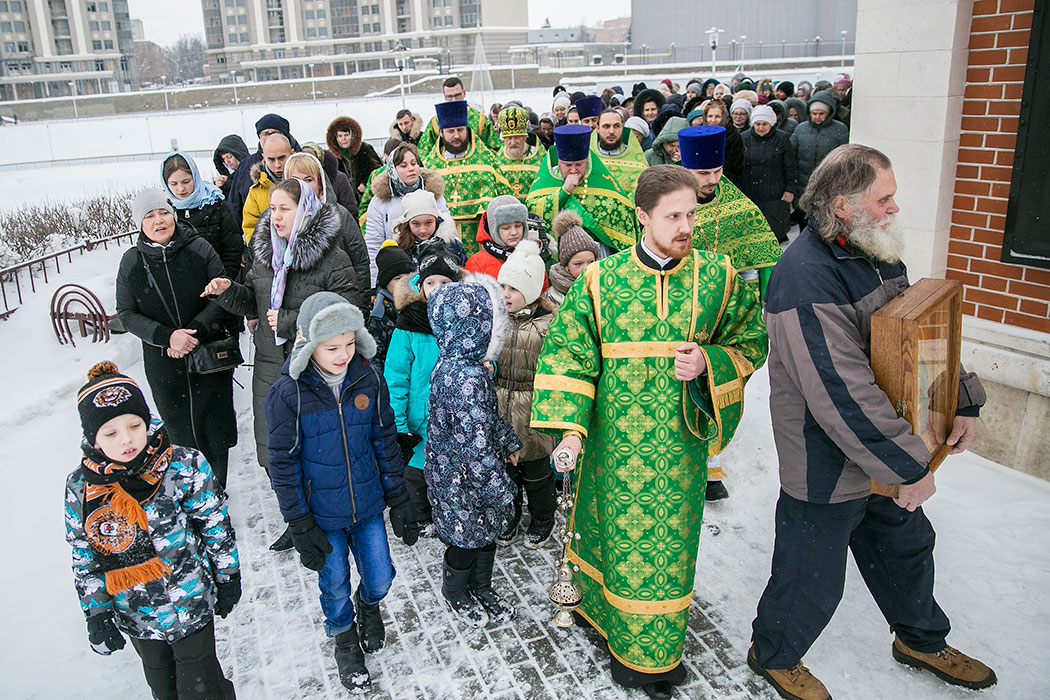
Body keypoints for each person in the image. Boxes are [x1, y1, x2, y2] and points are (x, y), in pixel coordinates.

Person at [748, 144, 996, 700]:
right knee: (809, 577)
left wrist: (961, 398)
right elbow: (840, 391)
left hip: (884, 446)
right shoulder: (805, 277)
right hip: (826, 459)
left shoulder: (874, 252)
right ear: (842, 205)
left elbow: (917, 335)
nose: (893, 209)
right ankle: (774, 654)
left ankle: (920, 640)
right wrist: (909, 465)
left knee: (907, 549)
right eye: (883, 199)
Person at [530, 164, 767, 699]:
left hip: (679, 453)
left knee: (667, 554)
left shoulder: (719, 276)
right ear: (642, 215)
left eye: (691, 215)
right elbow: (568, 354)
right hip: (612, 449)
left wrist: (709, 363)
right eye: (672, 216)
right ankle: (607, 624)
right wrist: (570, 430)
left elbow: (751, 341)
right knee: (613, 543)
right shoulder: (600, 280)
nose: (686, 227)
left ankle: (652, 659)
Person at [265, 291, 415, 693]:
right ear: (309, 345)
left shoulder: (368, 378)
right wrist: (298, 521)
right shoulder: (289, 393)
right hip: (321, 514)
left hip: (366, 504)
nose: (344, 354)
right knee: (333, 585)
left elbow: (384, 438)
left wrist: (399, 495)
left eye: (350, 343)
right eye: (332, 347)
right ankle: (344, 640)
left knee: (380, 577)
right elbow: (283, 462)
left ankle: (369, 605)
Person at [66, 361, 240, 700]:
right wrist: (96, 612)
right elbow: (83, 552)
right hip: (137, 613)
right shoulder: (81, 488)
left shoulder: (181, 464)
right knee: (163, 688)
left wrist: (228, 576)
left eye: (134, 425)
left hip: (190, 601)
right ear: (93, 439)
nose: (127, 440)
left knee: (202, 689)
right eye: (111, 433)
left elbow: (214, 522)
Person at [202, 178, 361, 549]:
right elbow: (256, 304)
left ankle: (328, 516)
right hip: (271, 364)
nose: (275, 216)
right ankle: (297, 517)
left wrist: (291, 321)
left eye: (284, 209)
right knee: (275, 446)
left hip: (314, 367)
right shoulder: (264, 254)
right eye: (272, 208)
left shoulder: (331, 257)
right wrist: (228, 293)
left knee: (318, 448)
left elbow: (348, 311)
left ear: (303, 210)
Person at [679, 125, 782, 500]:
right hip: (683, 311)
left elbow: (764, 262)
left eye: (717, 171)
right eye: (703, 173)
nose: (712, 180)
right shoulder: (670, 206)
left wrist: (759, 307)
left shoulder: (739, 208)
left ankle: (711, 463)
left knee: (719, 381)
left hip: (727, 314)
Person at [116, 189, 238, 487]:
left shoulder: (200, 248)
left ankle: (217, 487)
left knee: (215, 427)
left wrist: (193, 333)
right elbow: (127, 313)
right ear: (139, 223)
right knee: (179, 430)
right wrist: (167, 337)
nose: (159, 220)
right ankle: (192, 490)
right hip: (164, 362)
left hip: (207, 354)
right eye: (150, 216)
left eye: (163, 212)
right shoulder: (131, 261)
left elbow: (222, 295)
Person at [426, 274, 521, 628]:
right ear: (475, 328)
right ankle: (456, 591)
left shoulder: (459, 365)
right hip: (462, 482)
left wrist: (508, 441)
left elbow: (487, 418)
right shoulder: (465, 377)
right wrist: (500, 489)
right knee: (466, 542)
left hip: (464, 477)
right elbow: (474, 447)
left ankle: (482, 587)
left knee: (485, 534)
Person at [384, 244, 461, 538]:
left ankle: (447, 512)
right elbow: (396, 377)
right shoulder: (409, 325)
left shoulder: (466, 321)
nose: (437, 289)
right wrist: (399, 424)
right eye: (431, 283)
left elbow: (484, 358)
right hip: (419, 419)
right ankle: (420, 514)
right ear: (420, 285)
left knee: (449, 472)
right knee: (416, 473)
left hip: (453, 417)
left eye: (445, 283)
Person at [493, 240, 558, 548]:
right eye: (503, 286)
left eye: (514, 288)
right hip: (499, 407)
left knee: (537, 475)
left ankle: (543, 517)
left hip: (534, 412)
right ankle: (509, 517)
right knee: (505, 473)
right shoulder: (495, 321)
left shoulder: (548, 326)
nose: (506, 294)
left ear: (531, 292)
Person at [419, 100, 512, 257]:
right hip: (442, 243)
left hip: (480, 240)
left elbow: (502, 198)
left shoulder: (485, 161)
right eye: (450, 131)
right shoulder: (430, 166)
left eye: (460, 130)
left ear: (467, 130)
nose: (456, 136)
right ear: (441, 133)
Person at [526, 124, 638, 255]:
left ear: (587, 160)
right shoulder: (548, 179)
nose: (573, 170)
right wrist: (564, 191)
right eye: (568, 165)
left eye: (579, 164)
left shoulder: (600, 179)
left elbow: (621, 216)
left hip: (597, 251)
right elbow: (534, 210)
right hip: (559, 251)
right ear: (559, 162)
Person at [362, 143, 451, 286]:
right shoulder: (380, 202)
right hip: (396, 272)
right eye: (403, 165)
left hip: (434, 272)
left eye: (414, 163)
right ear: (392, 169)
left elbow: (447, 232)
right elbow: (373, 245)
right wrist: (373, 284)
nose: (411, 169)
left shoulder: (433, 195)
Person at [284, 151, 371, 298]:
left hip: (335, 301)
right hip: (290, 306)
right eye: (295, 180)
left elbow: (360, 261)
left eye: (308, 180)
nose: (302, 186)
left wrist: (361, 303)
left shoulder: (340, 216)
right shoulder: (276, 218)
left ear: (320, 184)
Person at [162, 152, 244, 279]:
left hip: (217, 282)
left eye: (186, 181)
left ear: (195, 177)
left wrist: (222, 281)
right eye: (173, 184)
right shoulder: (163, 210)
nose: (180, 189)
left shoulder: (215, 204)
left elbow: (232, 250)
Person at [739, 105, 801, 243]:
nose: (761, 127)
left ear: (771, 124)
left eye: (764, 124)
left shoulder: (782, 138)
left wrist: (790, 189)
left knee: (774, 231)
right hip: (750, 191)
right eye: (758, 124)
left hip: (775, 192)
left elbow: (790, 167)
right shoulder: (744, 138)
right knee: (752, 232)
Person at [228, 112, 300, 222]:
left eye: (275, 132)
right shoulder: (246, 166)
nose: (277, 165)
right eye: (265, 134)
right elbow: (235, 205)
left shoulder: (304, 163)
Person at [417, 76, 501, 154]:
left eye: (457, 95)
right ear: (444, 97)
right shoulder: (435, 122)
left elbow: (495, 148)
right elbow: (423, 151)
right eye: (449, 96)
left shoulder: (479, 119)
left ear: (464, 93)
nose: (454, 100)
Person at [367, 242, 415, 370]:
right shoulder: (380, 312)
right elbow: (376, 356)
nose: (403, 282)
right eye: (397, 278)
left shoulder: (417, 303)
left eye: (407, 277)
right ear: (386, 282)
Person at [791, 90, 850, 193]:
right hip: (803, 181)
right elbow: (791, 153)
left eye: (821, 114)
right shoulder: (800, 129)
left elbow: (843, 157)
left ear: (828, 113)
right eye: (814, 113)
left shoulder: (840, 129)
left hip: (829, 181)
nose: (817, 117)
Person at [241, 132, 293, 242]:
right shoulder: (256, 192)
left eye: (282, 158)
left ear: (291, 153)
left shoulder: (305, 182)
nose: (277, 165)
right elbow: (250, 229)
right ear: (264, 157)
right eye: (271, 159)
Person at [393, 188, 465, 266]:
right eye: (416, 224)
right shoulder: (401, 248)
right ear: (408, 223)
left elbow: (463, 269)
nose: (423, 230)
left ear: (436, 220)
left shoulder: (451, 245)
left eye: (428, 223)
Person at [466, 195, 533, 278]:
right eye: (506, 228)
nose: (514, 232)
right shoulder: (477, 263)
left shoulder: (532, 257)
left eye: (518, 226)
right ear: (493, 230)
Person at [545, 210, 599, 307]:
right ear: (566, 266)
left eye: (591, 262)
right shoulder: (552, 297)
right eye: (578, 264)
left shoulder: (604, 286)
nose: (585, 268)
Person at [493, 105, 547, 199]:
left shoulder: (541, 159)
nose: (513, 142)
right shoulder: (497, 162)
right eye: (509, 138)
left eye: (517, 137)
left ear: (525, 137)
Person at [592, 108, 648, 196]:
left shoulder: (637, 163)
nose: (611, 131)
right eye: (606, 126)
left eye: (616, 126)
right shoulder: (588, 158)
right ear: (598, 129)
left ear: (622, 128)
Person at [326, 116, 383, 195]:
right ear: (336, 138)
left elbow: (379, 170)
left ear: (352, 135)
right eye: (340, 136)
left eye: (346, 135)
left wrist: (366, 183)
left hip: (366, 196)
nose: (343, 139)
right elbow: (328, 180)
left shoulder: (364, 149)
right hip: (344, 198)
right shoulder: (331, 156)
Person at [702, 99, 744, 185]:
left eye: (717, 116)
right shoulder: (700, 134)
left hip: (727, 182)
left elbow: (736, 166)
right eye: (710, 116)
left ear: (723, 117)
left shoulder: (733, 135)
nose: (713, 120)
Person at [212, 134, 249, 198]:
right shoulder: (228, 179)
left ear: (239, 154)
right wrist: (219, 189)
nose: (227, 162)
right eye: (224, 159)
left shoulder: (253, 173)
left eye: (229, 157)